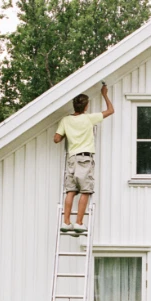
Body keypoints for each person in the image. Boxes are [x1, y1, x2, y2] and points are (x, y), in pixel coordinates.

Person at [53, 83, 114, 233]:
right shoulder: (89, 118)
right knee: (86, 190)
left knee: (71, 191)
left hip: (72, 159)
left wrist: (68, 133)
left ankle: (66, 222)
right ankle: (79, 222)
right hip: (84, 159)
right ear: (86, 107)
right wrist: (105, 94)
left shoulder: (66, 120)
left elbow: (56, 139)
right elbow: (111, 110)